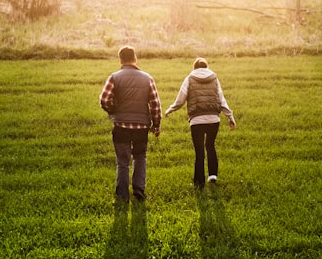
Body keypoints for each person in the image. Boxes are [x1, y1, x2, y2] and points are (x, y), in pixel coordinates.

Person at [100, 46, 162, 204]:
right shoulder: (147, 78)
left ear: (120, 60)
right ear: (135, 58)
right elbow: (155, 104)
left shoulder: (114, 77)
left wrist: (113, 111)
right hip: (141, 127)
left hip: (121, 126)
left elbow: (105, 100)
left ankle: (122, 196)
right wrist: (156, 125)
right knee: (140, 157)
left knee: (122, 162)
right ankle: (139, 190)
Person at [165, 57, 236, 188]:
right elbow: (221, 99)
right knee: (210, 145)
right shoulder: (214, 78)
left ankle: (199, 182)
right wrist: (230, 117)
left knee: (199, 151)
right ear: (206, 67)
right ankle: (213, 175)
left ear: (194, 67)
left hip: (197, 120)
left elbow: (180, 100)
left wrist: (170, 109)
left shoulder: (189, 79)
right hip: (214, 119)